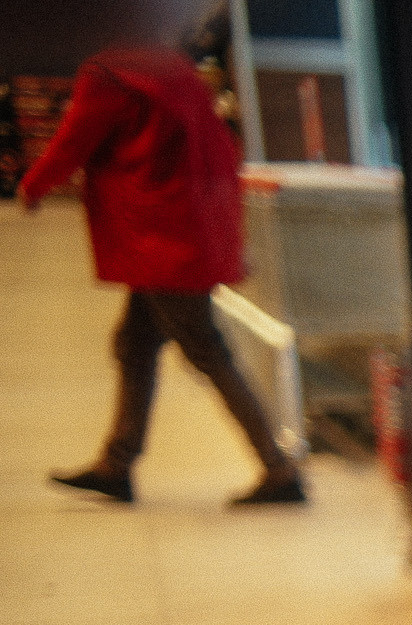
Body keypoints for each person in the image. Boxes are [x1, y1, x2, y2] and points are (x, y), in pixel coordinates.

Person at [18, 42, 305, 507]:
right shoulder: (167, 63)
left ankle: (279, 469)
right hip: (188, 221)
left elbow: (76, 136)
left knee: (205, 348)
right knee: (134, 343)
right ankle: (117, 464)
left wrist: (34, 185)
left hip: (157, 231)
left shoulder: (109, 72)